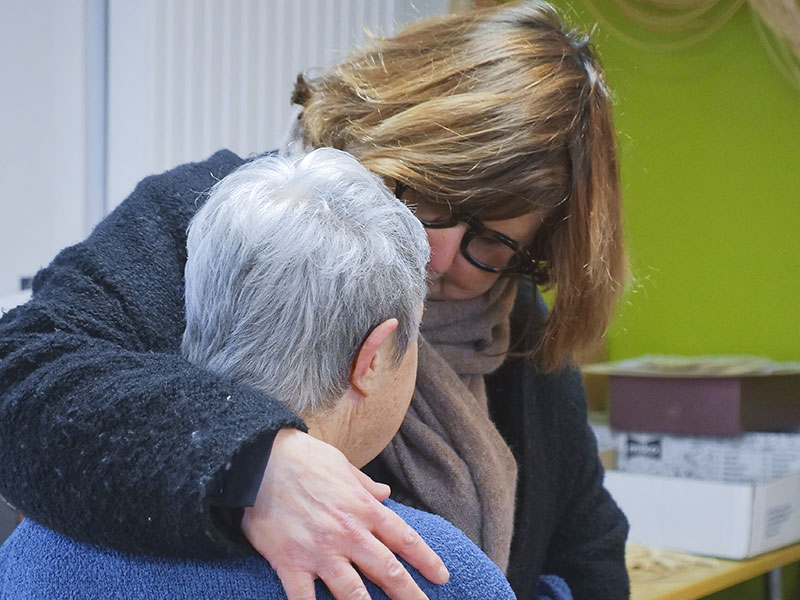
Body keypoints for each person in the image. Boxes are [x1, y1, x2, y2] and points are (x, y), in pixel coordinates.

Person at [0, 2, 629, 599]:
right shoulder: (220, 220)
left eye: (491, 242)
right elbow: (21, 373)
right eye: (431, 198)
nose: (437, 257)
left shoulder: (512, 323)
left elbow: (588, 551)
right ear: (380, 122)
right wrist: (256, 466)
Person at [1, 149, 569, 599]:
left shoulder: (31, 549)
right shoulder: (434, 573)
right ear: (373, 357)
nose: (445, 256)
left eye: (491, 240)